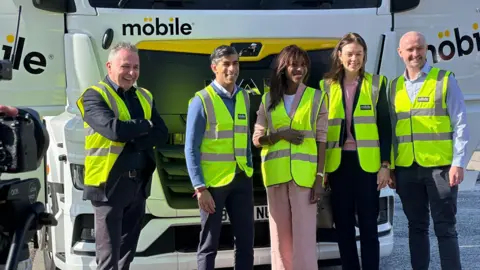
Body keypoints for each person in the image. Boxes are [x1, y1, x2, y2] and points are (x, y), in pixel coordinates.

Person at [76, 41, 169, 270]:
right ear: (109, 66)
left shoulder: (145, 95)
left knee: (127, 255)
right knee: (108, 258)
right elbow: (113, 130)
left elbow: (161, 133)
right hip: (109, 185)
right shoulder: (93, 95)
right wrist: (144, 125)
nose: (131, 73)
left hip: (138, 183)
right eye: (125, 66)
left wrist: (134, 135)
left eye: (135, 67)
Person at [389, 31, 468, 270]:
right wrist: (391, 167)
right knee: (417, 227)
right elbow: (391, 130)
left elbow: (461, 122)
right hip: (406, 169)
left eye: (419, 48)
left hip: (441, 169)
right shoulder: (393, 86)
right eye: (410, 49)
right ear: (400, 53)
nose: (415, 54)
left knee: (445, 228)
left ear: (427, 50)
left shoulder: (444, 79)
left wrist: (459, 162)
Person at [319, 32, 392, 270]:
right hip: (338, 165)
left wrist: (385, 165)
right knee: (344, 226)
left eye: (359, 54)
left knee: (369, 226)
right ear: (340, 56)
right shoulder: (325, 86)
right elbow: (321, 130)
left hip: (367, 165)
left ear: (364, 56)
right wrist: (322, 170)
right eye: (349, 54)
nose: (354, 59)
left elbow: (384, 126)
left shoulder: (377, 83)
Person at [252, 45, 328, 270]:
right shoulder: (268, 99)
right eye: (294, 64)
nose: (300, 69)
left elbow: (322, 139)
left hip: (305, 179)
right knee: (279, 240)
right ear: (283, 68)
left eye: (303, 65)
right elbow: (257, 139)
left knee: (304, 241)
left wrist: (320, 177)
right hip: (276, 176)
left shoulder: (316, 97)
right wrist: (278, 135)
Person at [184, 45, 254, 270]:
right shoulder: (201, 101)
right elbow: (190, 148)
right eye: (226, 64)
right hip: (212, 185)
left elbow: (245, 138)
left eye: (235, 63)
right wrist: (199, 188)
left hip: (242, 179)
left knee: (245, 242)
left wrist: (249, 167)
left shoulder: (244, 96)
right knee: (209, 244)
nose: (232, 68)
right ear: (214, 67)